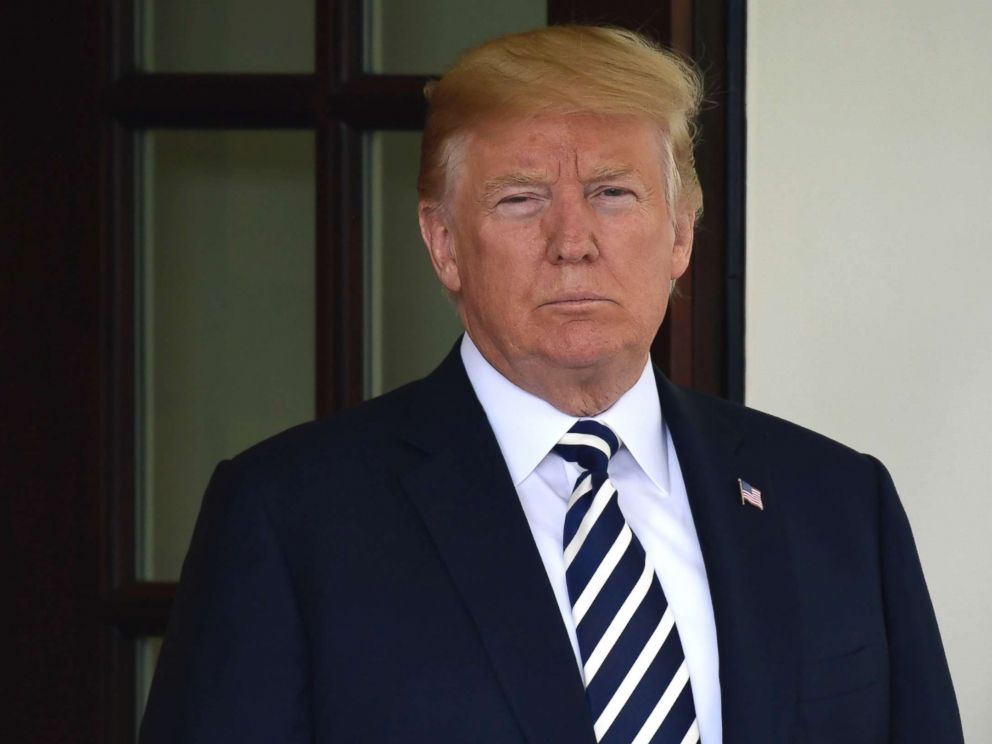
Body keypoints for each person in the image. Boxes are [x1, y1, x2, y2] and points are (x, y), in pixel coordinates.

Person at [140, 26, 962, 744]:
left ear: (680, 232)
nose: (573, 241)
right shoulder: (290, 521)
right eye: (521, 200)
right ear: (443, 244)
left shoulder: (839, 502)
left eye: (612, 194)